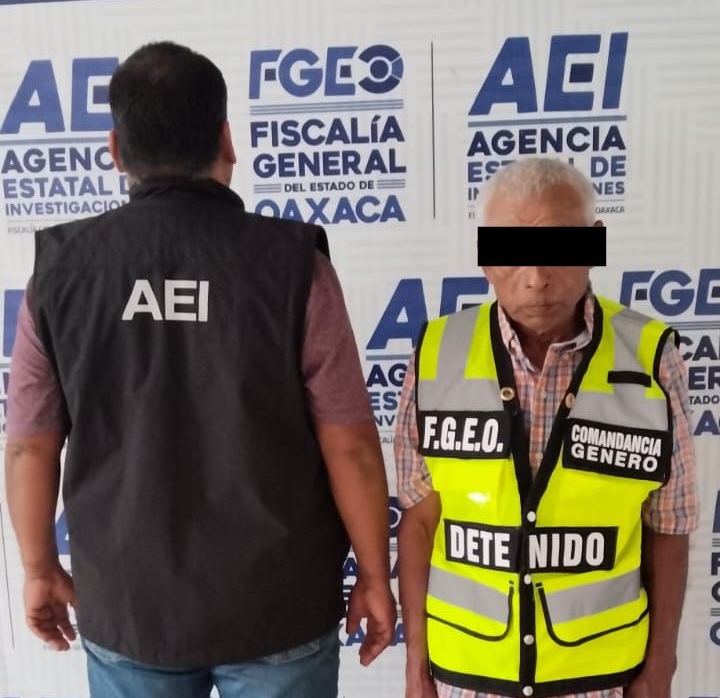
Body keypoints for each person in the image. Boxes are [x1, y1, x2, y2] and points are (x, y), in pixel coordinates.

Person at [4, 40, 396, 698]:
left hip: (133, 613)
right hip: (279, 605)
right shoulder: (294, 265)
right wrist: (377, 577)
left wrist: (39, 568)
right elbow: (351, 442)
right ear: (226, 139)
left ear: (115, 151)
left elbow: (27, 446)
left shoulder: (59, 274)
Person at [394, 157, 697, 698]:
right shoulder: (437, 354)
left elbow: (668, 525)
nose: (536, 278)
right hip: (469, 675)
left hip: (601, 676)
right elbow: (419, 522)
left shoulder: (652, 357)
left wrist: (660, 668)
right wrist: (417, 663)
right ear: (485, 259)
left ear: (595, 242)